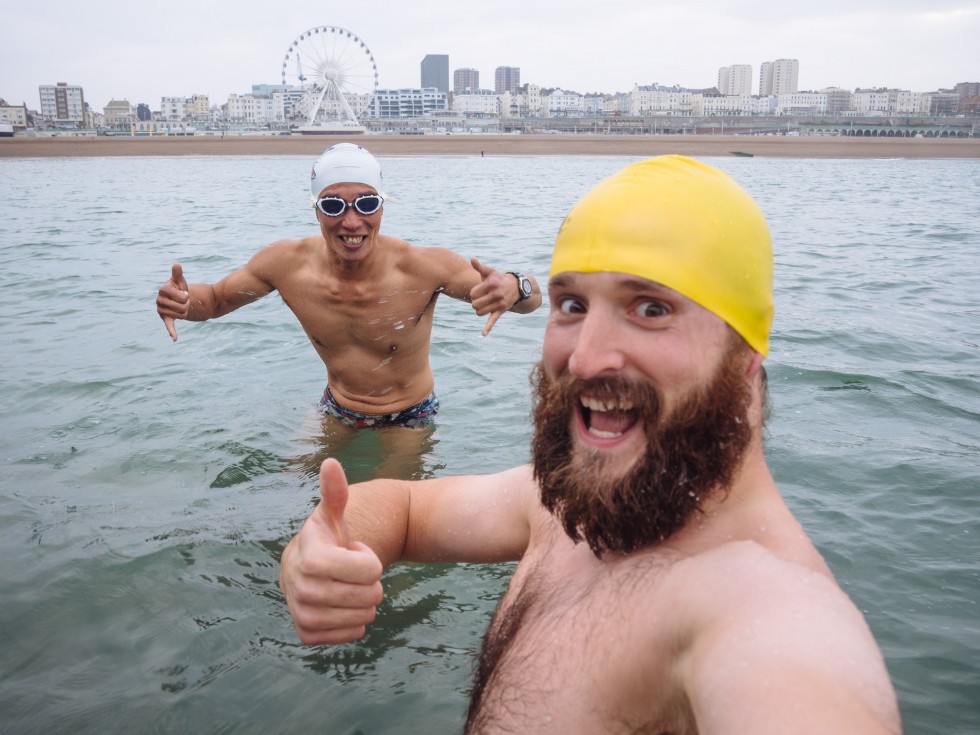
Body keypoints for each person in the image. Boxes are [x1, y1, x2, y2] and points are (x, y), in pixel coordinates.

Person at [278, 156, 901, 733]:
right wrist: (321, 552)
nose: (583, 357)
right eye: (573, 304)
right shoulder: (566, 503)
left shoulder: (771, 615)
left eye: (651, 309)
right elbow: (407, 510)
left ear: (746, 356)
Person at [156, 143, 542, 431]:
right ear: (315, 209)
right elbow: (216, 300)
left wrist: (515, 287)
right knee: (296, 494)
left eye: (366, 204)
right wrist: (183, 302)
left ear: (383, 206)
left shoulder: (422, 268)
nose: (352, 221)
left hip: (407, 416)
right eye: (333, 206)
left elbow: (533, 299)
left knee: (380, 509)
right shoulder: (286, 265)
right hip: (335, 407)